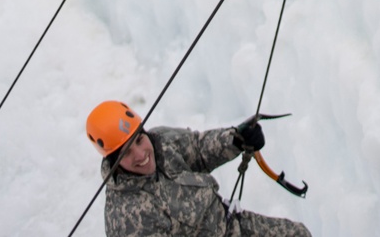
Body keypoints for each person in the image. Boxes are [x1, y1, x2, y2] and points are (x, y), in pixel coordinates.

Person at [85, 100, 312, 237]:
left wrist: (235, 139)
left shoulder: (162, 142)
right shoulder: (127, 219)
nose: (141, 154)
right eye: (125, 153)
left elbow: (199, 149)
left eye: (138, 140)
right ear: (115, 163)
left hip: (232, 227)